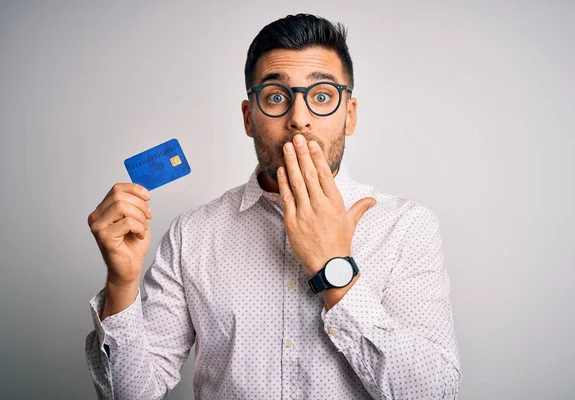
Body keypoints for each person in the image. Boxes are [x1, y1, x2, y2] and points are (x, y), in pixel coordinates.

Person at [85, 13, 462, 400]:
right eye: (276, 97)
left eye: (321, 96)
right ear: (249, 118)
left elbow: (435, 393)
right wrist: (121, 284)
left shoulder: (406, 227)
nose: (299, 120)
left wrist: (334, 267)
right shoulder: (190, 236)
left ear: (349, 115)